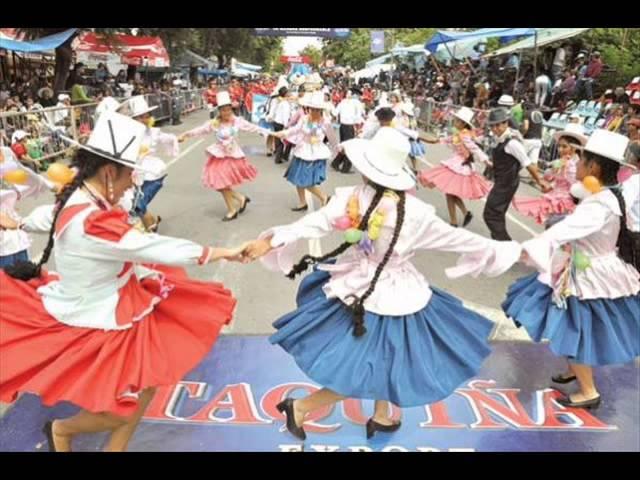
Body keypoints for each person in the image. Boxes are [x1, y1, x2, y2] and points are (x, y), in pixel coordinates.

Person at [242, 127, 522, 440]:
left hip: (360, 285)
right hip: (390, 292)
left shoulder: (351, 198)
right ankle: (302, 407)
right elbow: (461, 239)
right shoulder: (415, 212)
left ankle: (381, 414)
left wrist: (270, 242)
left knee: (387, 356)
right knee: (366, 363)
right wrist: (516, 251)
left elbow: (314, 223)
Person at [0, 111, 246, 452]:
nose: (134, 181)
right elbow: (149, 246)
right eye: (131, 173)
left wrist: (20, 223)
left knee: (146, 383)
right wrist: (222, 251)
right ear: (109, 172)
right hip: (97, 316)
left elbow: (49, 216)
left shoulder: (82, 196)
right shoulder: (93, 220)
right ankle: (62, 430)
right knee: (119, 406)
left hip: (119, 298)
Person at [503, 129, 639, 409]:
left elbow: (565, 230)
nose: (576, 162)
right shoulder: (606, 195)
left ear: (595, 167)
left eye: (582, 158)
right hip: (584, 266)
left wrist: (525, 248)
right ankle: (573, 370)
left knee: (576, 328)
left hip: (588, 275)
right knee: (573, 324)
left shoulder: (600, 203)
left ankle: (588, 391)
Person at [179, 92, 271, 221]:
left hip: (233, 156)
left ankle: (232, 209)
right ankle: (239, 198)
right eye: (223, 110)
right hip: (219, 156)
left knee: (221, 185)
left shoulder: (237, 121)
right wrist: (185, 134)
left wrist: (272, 133)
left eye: (228, 109)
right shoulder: (214, 123)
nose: (226, 112)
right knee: (219, 184)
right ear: (219, 111)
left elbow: (253, 127)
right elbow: (200, 130)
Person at [483, 108, 551, 241]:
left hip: (507, 183)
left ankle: (506, 244)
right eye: (493, 125)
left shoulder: (512, 143)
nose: (495, 128)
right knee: (496, 214)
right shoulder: (501, 139)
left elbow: (528, 163)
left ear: (505, 124)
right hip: (502, 181)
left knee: (491, 214)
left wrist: (539, 180)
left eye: (498, 125)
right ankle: (500, 244)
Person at [419, 107, 492, 227]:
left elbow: (474, 148)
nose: (454, 121)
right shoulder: (459, 134)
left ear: (463, 123)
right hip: (457, 163)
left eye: (457, 120)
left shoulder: (464, 135)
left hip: (460, 165)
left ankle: (454, 221)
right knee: (450, 192)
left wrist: (486, 160)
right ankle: (463, 214)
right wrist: (426, 139)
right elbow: (443, 140)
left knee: (449, 192)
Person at [271, 92, 339, 211]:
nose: (313, 112)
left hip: (315, 154)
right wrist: (283, 133)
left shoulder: (325, 122)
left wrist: (339, 149)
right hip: (302, 151)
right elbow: (295, 130)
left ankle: (324, 197)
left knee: (306, 181)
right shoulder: (304, 119)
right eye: (312, 109)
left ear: (321, 110)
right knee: (298, 179)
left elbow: (333, 139)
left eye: (317, 110)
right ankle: (302, 202)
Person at [512, 124, 587, 225]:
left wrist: (566, 167)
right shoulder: (561, 161)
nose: (560, 150)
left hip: (567, 203)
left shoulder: (578, 164)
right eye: (559, 146)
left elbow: (575, 184)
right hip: (554, 198)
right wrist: (550, 181)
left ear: (574, 148)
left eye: (564, 146)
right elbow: (550, 177)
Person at [331, 87, 365, 173]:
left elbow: (334, 112)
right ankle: (345, 167)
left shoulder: (342, 102)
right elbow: (358, 117)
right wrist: (358, 128)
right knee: (349, 147)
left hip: (342, 126)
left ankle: (336, 162)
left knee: (344, 145)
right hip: (350, 126)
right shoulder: (357, 103)